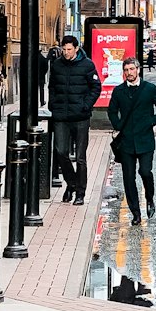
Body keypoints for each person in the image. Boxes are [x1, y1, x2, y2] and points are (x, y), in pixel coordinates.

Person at [108, 57, 156, 227]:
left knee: (145, 172)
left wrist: (152, 121)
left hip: (145, 140)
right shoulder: (119, 91)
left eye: (131, 69)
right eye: (126, 70)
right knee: (128, 178)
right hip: (126, 141)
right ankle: (135, 213)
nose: (129, 73)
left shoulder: (149, 89)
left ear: (138, 70)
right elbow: (112, 110)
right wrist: (118, 125)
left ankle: (150, 198)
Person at [47, 35, 102, 205]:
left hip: (80, 117)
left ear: (76, 49)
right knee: (61, 152)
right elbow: (52, 87)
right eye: (64, 49)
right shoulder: (57, 65)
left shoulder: (87, 65)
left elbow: (96, 87)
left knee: (80, 157)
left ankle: (80, 192)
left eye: (69, 49)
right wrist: (53, 105)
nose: (66, 52)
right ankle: (71, 184)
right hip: (61, 116)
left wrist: (85, 105)